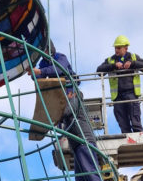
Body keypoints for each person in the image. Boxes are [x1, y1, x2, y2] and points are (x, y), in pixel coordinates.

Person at [29, 44, 100, 180]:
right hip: (77, 145)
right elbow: (39, 77)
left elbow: (65, 112)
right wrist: (34, 73)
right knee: (81, 177)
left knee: (90, 175)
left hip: (84, 142)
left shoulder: (75, 97)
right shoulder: (43, 63)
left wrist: (47, 120)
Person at [96, 35, 143, 134]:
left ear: (126, 48)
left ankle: (139, 138)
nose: (116, 50)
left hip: (131, 94)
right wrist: (113, 66)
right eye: (115, 48)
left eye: (119, 48)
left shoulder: (133, 57)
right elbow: (99, 70)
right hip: (118, 96)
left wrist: (133, 63)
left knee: (135, 121)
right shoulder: (110, 60)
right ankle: (128, 138)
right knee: (123, 123)